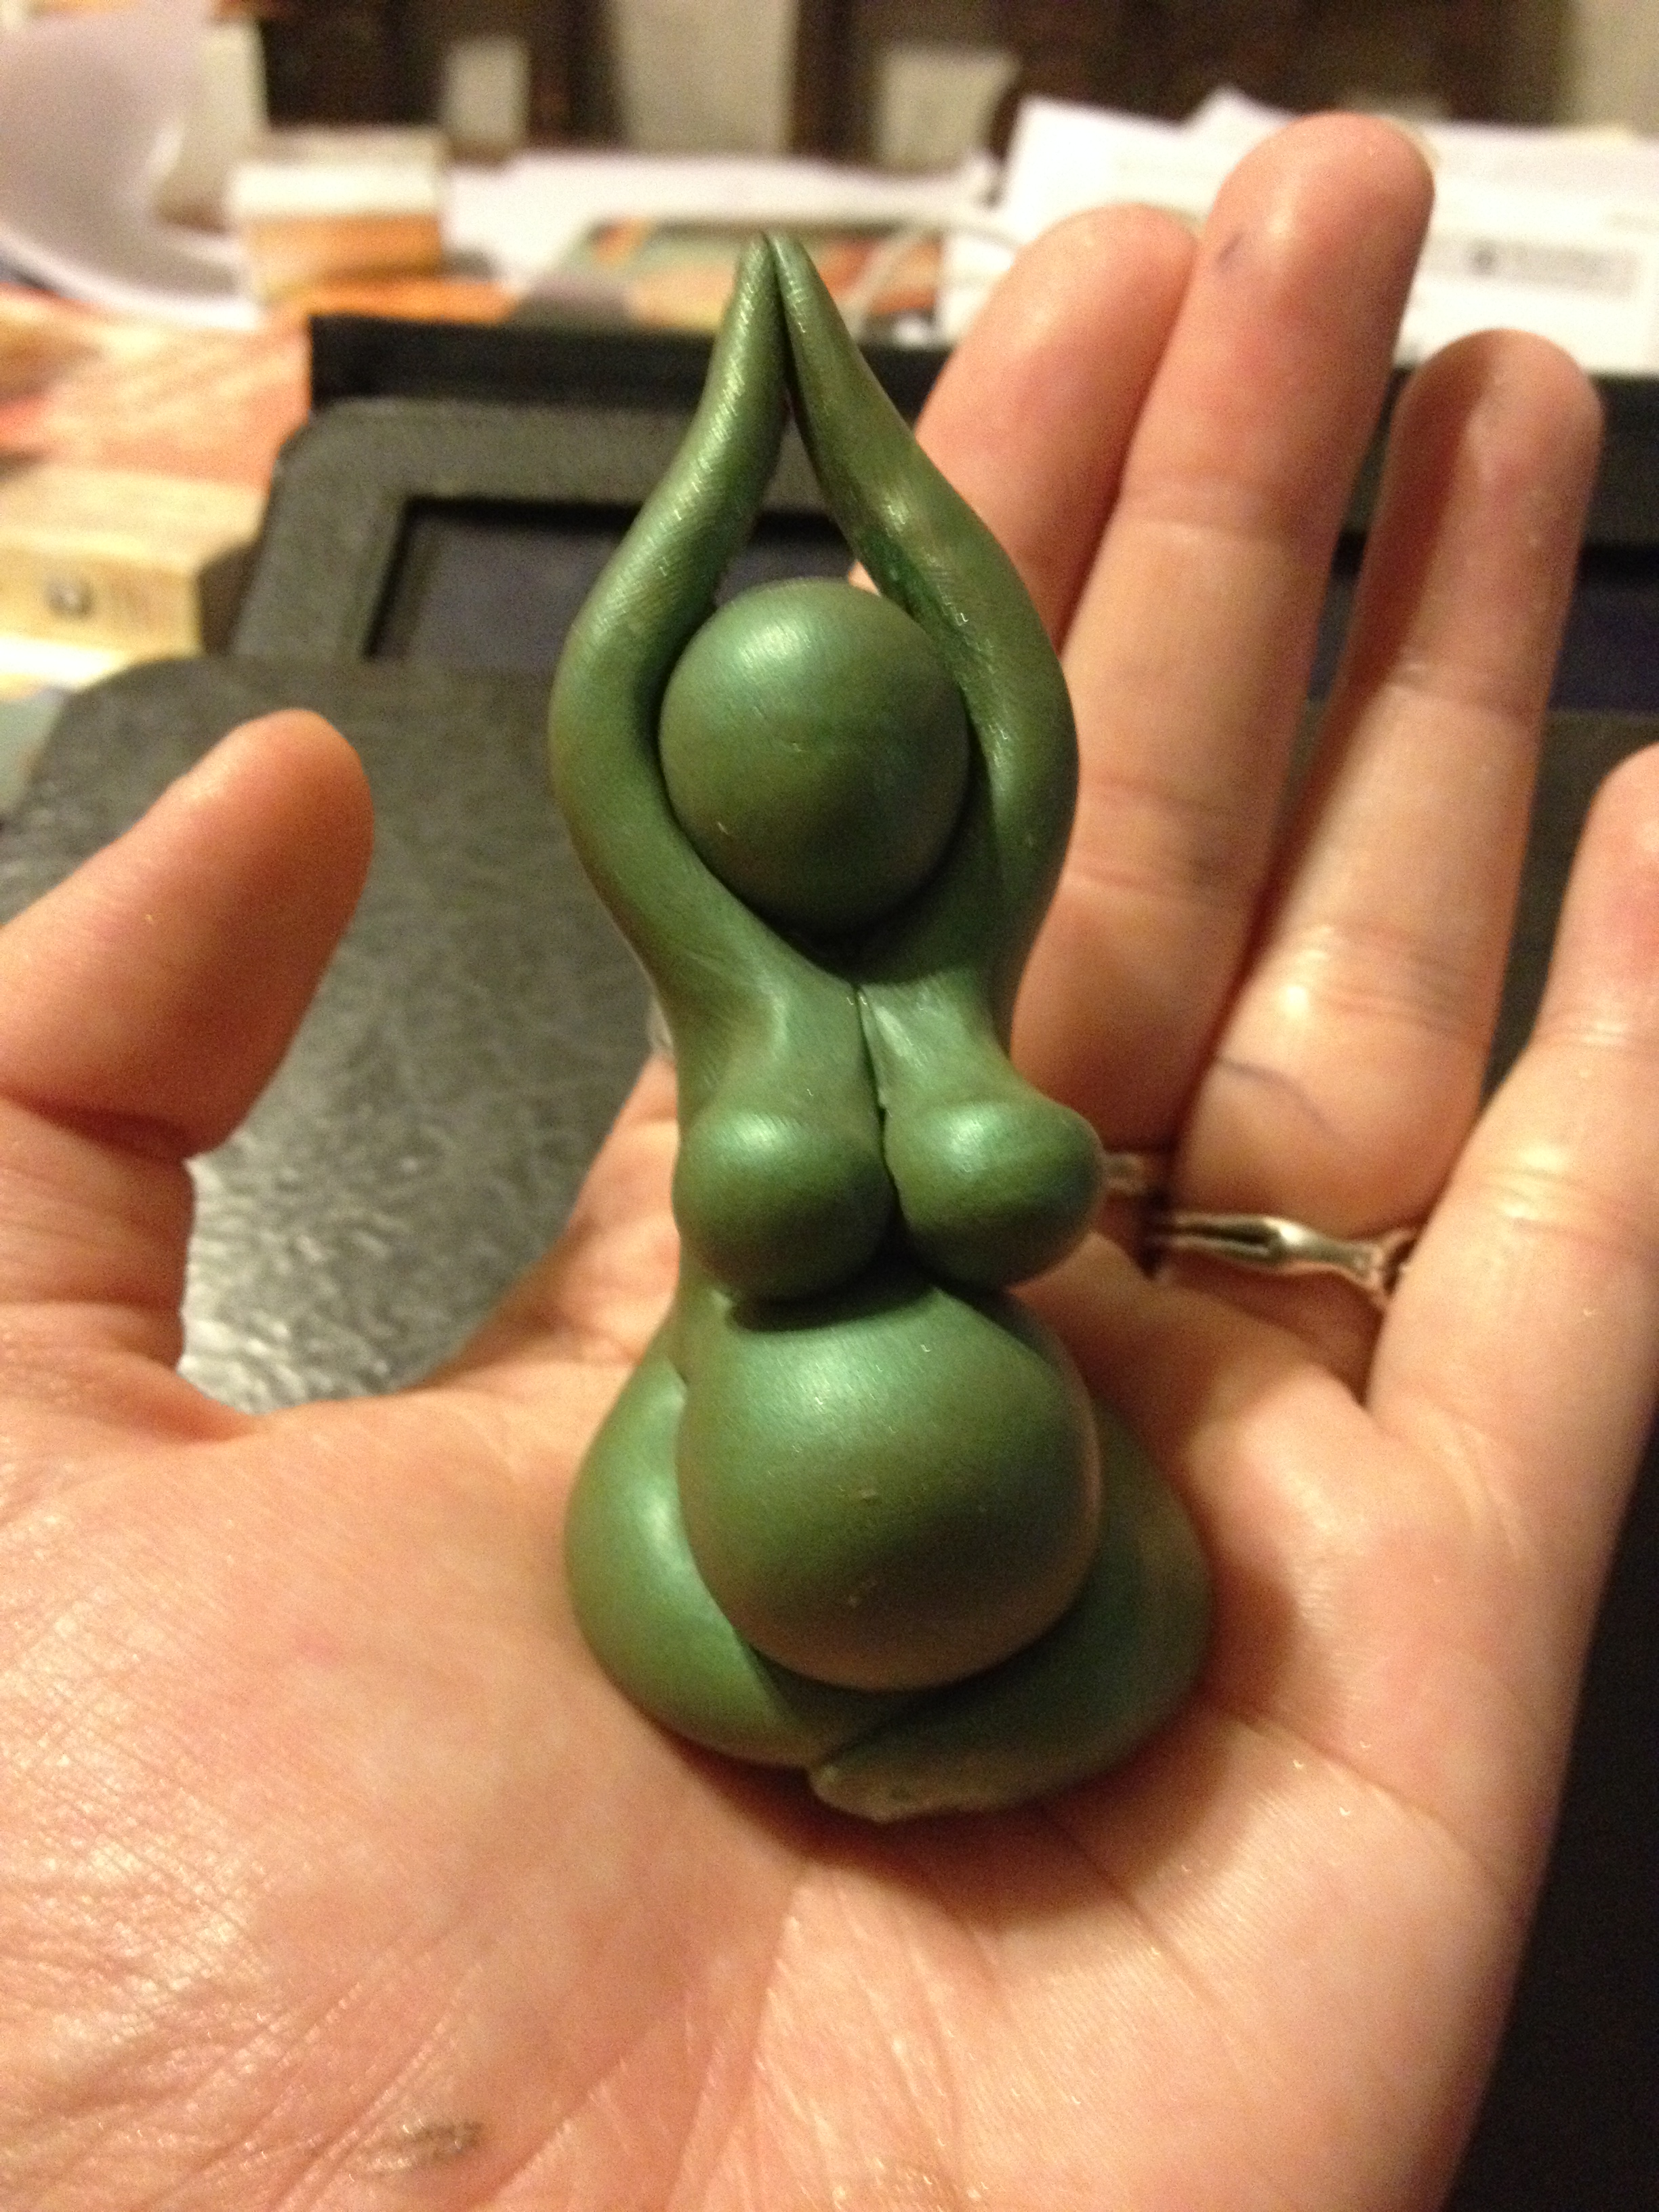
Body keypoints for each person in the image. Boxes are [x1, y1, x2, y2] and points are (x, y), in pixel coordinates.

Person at [0, 112, 1648, 2209]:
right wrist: (730, 445)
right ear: (694, 797)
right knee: (700, 1583)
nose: (832, 793)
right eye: (767, 765)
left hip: (1075, 1559)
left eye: (882, 754)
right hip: (717, 1568)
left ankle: (1000, 1727)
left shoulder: (971, 961)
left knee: (1164, 1615)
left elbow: (1009, 690)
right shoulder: (727, 1001)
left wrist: (856, 435)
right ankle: (920, 1735)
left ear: (939, 770)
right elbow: (606, 711)